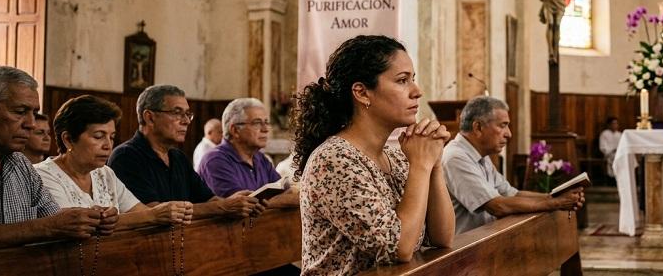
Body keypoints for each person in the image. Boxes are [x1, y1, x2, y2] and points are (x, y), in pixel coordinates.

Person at [294, 35, 454, 274]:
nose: (417, 91)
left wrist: (434, 163)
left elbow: (442, 238)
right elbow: (397, 247)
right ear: (362, 93)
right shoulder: (334, 160)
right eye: (402, 81)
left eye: (413, 79)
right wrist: (421, 164)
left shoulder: (397, 157)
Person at [0, 66, 117, 248]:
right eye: (20, 112)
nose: (31, 124)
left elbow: (52, 215)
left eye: (34, 114)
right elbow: (49, 225)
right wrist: (47, 227)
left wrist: (89, 218)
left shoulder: (20, 164)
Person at [35, 95, 193, 229]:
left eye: (111, 137)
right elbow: (75, 226)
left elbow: (140, 212)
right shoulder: (42, 176)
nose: (108, 145)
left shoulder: (104, 173)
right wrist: (154, 214)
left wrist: (166, 211)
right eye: (98, 136)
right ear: (68, 140)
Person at [108, 85, 264, 219]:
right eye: (177, 113)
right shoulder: (126, 157)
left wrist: (237, 202)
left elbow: (207, 200)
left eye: (188, 114)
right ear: (150, 117)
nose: (186, 121)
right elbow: (157, 214)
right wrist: (224, 207)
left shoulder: (178, 157)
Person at [442, 96, 585, 234]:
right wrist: (557, 203)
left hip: (481, 241)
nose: (509, 134)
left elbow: (512, 193)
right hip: (462, 249)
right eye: (502, 126)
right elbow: (497, 206)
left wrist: (554, 197)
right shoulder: (455, 157)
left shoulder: (481, 156)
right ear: (478, 127)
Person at [199, 98, 299, 207]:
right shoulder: (215, 161)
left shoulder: (260, 159)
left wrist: (267, 202)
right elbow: (242, 206)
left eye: (266, 122)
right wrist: (275, 201)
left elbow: (289, 193)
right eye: (257, 123)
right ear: (235, 130)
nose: (265, 129)